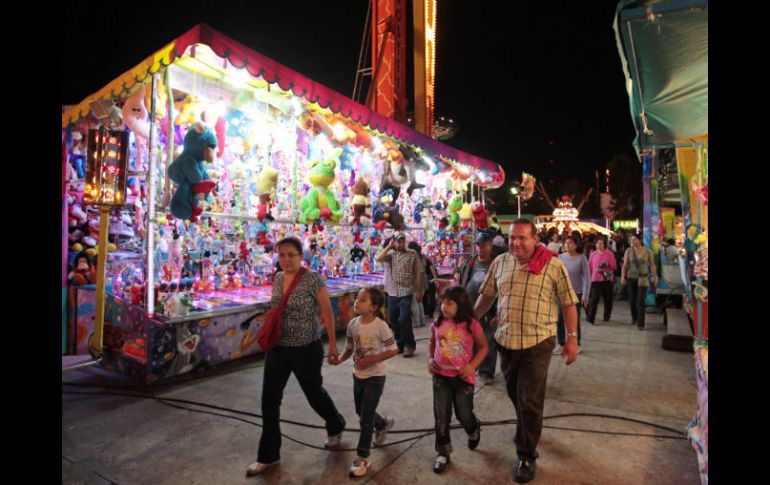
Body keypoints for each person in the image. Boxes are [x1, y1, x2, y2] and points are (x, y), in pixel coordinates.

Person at [473, 219, 579, 484]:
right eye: (512, 238)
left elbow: (568, 303)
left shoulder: (553, 265)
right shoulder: (501, 262)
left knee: (529, 400)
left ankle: (526, 455)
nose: (516, 243)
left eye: (522, 238)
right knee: (515, 394)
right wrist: (470, 320)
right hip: (506, 342)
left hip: (538, 343)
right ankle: (526, 430)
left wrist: (572, 338)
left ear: (535, 238)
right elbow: (487, 296)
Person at [246, 237, 347, 476]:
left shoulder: (313, 279)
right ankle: (268, 456)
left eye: (291, 254)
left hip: (305, 348)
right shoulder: (278, 278)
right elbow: (275, 309)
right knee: (269, 401)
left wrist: (333, 345)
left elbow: (327, 313)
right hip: (278, 348)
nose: (286, 260)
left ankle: (335, 423)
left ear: (301, 256)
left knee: (314, 395)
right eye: (281, 255)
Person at [332, 287, 398, 477]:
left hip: (375, 377)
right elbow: (349, 348)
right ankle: (383, 424)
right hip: (358, 376)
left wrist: (371, 360)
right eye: (357, 299)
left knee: (365, 418)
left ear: (373, 307)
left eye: (362, 300)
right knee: (360, 411)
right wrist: (339, 359)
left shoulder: (380, 326)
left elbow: (393, 349)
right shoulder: (353, 324)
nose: (356, 302)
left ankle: (363, 457)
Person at [428, 286, 488, 474]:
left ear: (460, 306)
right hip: (440, 378)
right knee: (441, 417)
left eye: (450, 303)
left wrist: (472, 366)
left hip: (463, 378)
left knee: (464, 414)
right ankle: (443, 452)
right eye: (443, 302)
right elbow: (432, 342)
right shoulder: (438, 322)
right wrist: (430, 359)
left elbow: (484, 346)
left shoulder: (471, 324)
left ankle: (472, 428)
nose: (444, 307)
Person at [458, 231, 498, 384]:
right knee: (470, 341)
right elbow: (462, 282)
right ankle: (472, 367)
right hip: (469, 310)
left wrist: (496, 313)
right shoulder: (470, 263)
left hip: (488, 312)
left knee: (487, 341)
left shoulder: (496, 264)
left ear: (490, 246)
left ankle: (486, 372)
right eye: (478, 245)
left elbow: (501, 290)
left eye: (484, 245)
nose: (481, 248)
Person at [376, 231, 424, 357]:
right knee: (393, 319)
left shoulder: (412, 254)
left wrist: (419, 291)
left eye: (403, 240)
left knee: (404, 319)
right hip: (392, 293)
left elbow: (419, 272)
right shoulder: (391, 254)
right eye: (398, 241)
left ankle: (410, 345)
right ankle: (400, 344)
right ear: (394, 242)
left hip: (406, 292)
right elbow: (378, 258)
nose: (401, 243)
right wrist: (388, 247)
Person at [555, 235, 590, 354]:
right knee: (559, 318)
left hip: (577, 292)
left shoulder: (582, 258)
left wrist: (586, 295)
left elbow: (586, 277)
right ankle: (560, 343)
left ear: (576, 245)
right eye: (566, 243)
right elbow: (556, 275)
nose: (567, 245)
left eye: (570, 243)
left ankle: (576, 342)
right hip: (562, 292)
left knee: (574, 319)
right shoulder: (560, 257)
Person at [620, 234, 658, 330]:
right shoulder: (628, 251)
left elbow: (653, 266)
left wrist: (655, 277)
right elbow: (624, 265)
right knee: (632, 301)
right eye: (631, 240)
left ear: (640, 240)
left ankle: (641, 324)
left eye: (635, 239)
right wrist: (622, 277)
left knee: (641, 301)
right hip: (631, 278)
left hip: (643, 278)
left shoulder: (648, 251)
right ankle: (634, 317)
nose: (632, 241)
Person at [586, 236, 617, 324]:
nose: (599, 245)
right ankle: (591, 317)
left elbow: (614, 266)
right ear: (595, 245)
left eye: (601, 243)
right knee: (594, 299)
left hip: (607, 279)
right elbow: (590, 267)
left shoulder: (609, 254)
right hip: (595, 279)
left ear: (604, 244)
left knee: (608, 299)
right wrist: (589, 278)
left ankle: (607, 316)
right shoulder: (593, 254)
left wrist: (603, 270)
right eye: (597, 243)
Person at [408, 241, 430, 327]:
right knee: (420, 302)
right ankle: (422, 321)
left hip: (416, 282)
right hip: (423, 282)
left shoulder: (413, 257)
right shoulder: (422, 257)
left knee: (414, 302)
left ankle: (417, 323)